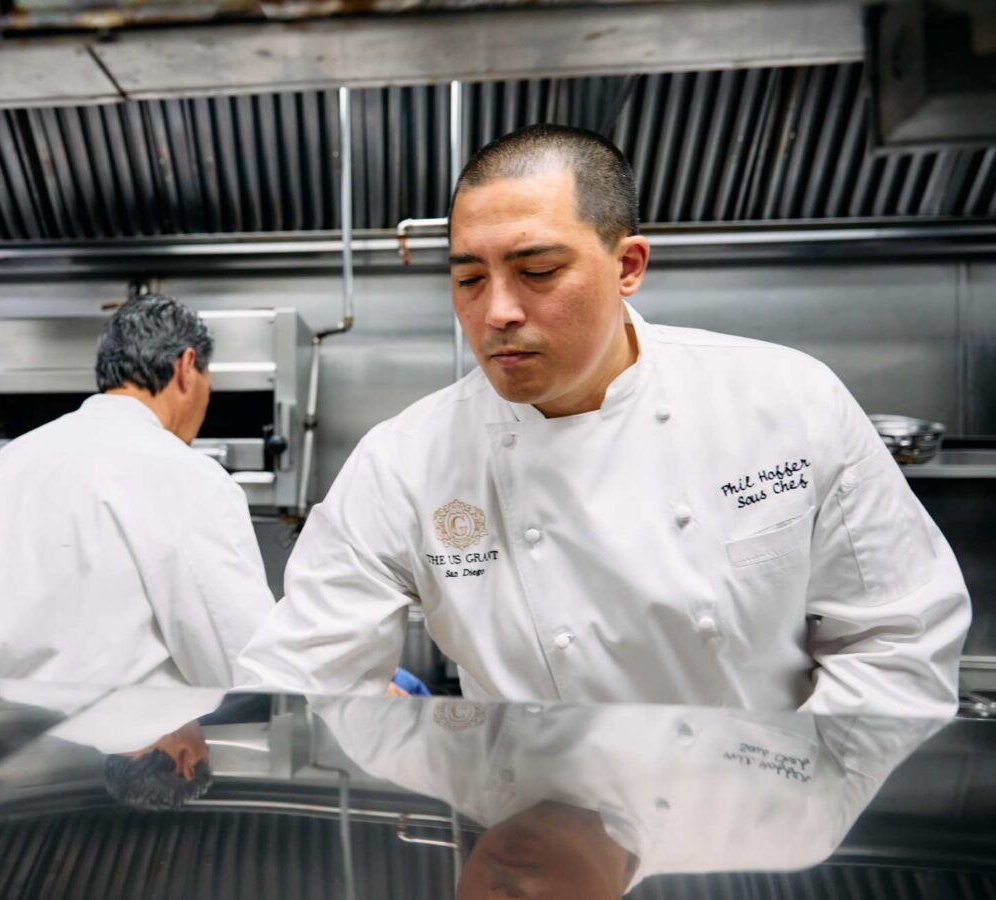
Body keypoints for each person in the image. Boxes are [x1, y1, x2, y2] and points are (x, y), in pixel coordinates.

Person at [239, 124, 970, 717]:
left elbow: (897, 642)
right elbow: (296, 677)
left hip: (753, 825)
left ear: (628, 267)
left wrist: (787, 807)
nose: (496, 312)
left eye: (537, 271)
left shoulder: (786, 402)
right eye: (468, 279)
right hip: (525, 831)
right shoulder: (404, 461)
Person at [0, 294, 275, 686]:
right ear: (186, 367)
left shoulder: (1, 470)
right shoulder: (188, 477)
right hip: (126, 726)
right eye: (209, 385)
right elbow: (242, 659)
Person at [308, 694, 939, 898]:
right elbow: (902, 678)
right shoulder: (792, 827)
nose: (499, 887)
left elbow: (317, 662)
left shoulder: (414, 754)